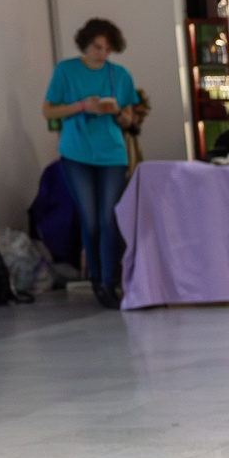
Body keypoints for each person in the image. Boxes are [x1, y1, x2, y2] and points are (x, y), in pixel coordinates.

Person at [42, 19, 147, 308]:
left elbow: (128, 117)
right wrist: (82, 106)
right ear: (86, 43)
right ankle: (96, 277)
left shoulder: (118, 74)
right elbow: (48, 109)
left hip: (111, 153)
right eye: (98, 46)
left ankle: (108, 281)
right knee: (89, 219)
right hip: (77, 154)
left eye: (107, 48)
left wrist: (119, 114)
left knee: (108, 218)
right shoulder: (66, 71)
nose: (102, 53)